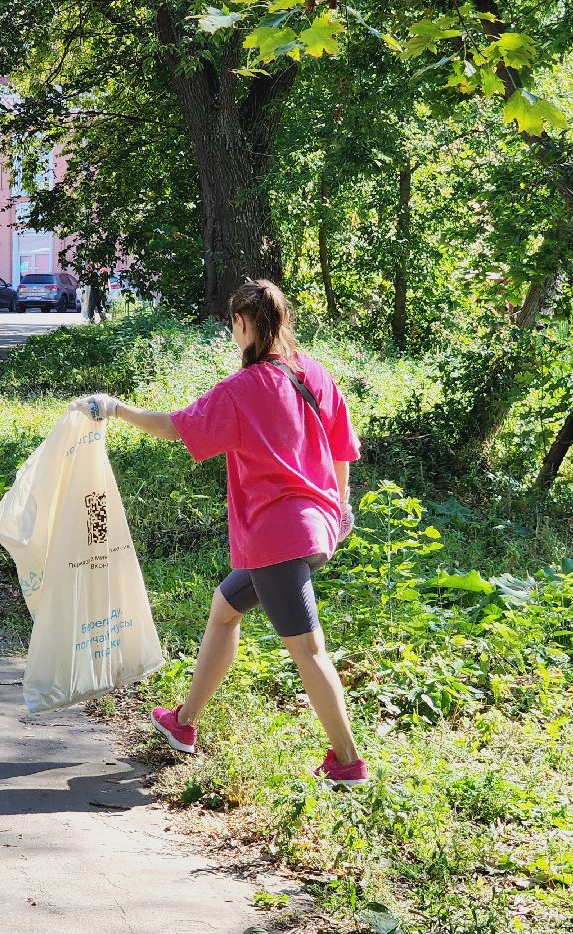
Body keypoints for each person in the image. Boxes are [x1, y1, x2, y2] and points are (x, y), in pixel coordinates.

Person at [72, 279, 368, 787]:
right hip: (316, 528)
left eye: (234, 324)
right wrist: (340, 507)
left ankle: (347, 762)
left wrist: (116, 409)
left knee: (308, 650)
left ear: (244, 324)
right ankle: (184, 723)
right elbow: (343, 447)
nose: (233, 333)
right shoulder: (315, 373)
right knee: (225, 608)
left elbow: (176, 426)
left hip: (278, 537)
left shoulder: (243, 389)